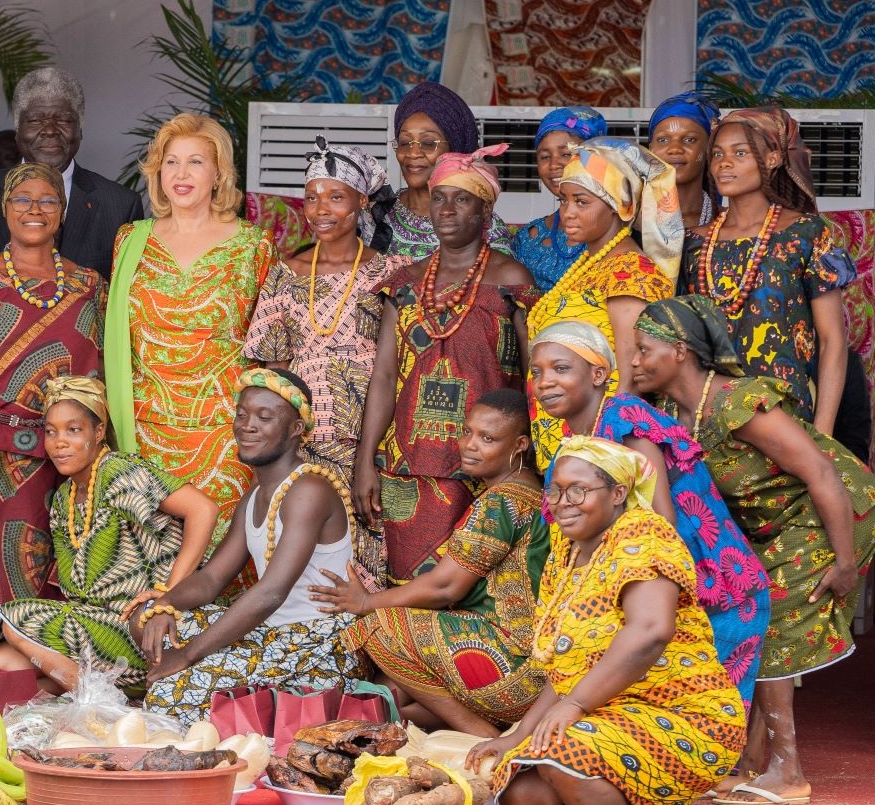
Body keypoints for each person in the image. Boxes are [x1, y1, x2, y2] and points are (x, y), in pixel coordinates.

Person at [468, 437, 745, 805]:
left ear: (617, 493)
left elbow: (649, 632)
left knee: (561, 747)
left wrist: (573, 706)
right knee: (521, 796)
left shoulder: (644, 535)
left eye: (578, 490)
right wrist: (515, 736)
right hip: (613, 716)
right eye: (555, 491)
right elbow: (569, 664)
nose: (562, 503)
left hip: (685, 715)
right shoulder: (569, 552)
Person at [629, 296, 875, 805]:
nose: (632, 360)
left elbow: (820, 472)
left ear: (680, 351)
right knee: (752, 617)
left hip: (833, 511)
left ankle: (788, 773)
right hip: (775, 522)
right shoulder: (672, 412)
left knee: (773, 625)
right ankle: (749, 762)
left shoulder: (735, 402)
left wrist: (846, 564)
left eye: (642, 349)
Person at [530, 319, 768, 699]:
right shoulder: (578, 441)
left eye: (561, 369)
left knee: (705, 715)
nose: (545, 382)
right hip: (667, 589)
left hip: (716, 589)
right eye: (537, 372)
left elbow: (661, 521)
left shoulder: (623, 417)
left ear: (598, 374)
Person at [0, 162, 104, 645]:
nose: (35, 209)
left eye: (48, 200)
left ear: (63, 212)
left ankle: (57, 694)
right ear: (4, 210)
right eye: (22, 200)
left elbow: (109, 375)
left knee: (76, 575)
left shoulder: (90, 286)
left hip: (72, 461)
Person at [137, 370, 367, 725]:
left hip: (315, 643)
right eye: (242, 414)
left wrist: (186, 656)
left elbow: (271, 593)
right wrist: (167, 602)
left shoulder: (309, 490)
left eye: (264, 417)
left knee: (169, 697)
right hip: (269, 633)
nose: (247, 425)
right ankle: (250, 702)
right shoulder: (254, 498)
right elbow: (212, 579)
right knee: (146, 620)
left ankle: (272, 707)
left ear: (295, 430)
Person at [315, 390, 547, 736]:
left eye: (488, 438)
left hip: (513, 664)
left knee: (380, 627)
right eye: (467, 431)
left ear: (520, 445)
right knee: (405, 703)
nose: (470, 444)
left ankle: (486, 737)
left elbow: (445, 586)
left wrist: (366, 602)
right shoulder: (532, 491)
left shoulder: (500, 503)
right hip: (534, 667)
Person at [355, 145, 536, 580]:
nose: (448, 209)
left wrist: (533, 460)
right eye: (440, 197)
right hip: (409, 465)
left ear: (485, 209)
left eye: (463, 198)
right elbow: (383, 376)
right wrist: (365, 460)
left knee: (477, 591)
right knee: (409, 585)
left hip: (489, 467)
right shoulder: (405, 283)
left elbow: (533, 377)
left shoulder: (512, 279)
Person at [0, 377, 216, 689]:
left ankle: (97, 702)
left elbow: (203, 509)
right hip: (98, 630)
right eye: (51, 432)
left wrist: (170, 593)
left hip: (145, 628)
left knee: (16, 620)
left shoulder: (117, 471)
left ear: (99, 431)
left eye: (73, 430)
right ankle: (109, 700)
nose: (59, 442)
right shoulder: (64, 499)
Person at [107, 112, 276, 532]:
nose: (181, 174)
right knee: (148, 562)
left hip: (225, 434)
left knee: (223, 562)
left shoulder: (254, 245)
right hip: (143, 432)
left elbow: (271, 349)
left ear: (219, 172)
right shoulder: (130, 240)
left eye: (196, 162)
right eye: (171, 162)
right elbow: (116, 341)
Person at [244, 137, 400, 580]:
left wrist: (368, 458)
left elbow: (391, 374)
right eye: (312, 198)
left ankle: (355, 647)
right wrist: (280, 448)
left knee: (362, 557)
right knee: (293, 554)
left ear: (362, 202)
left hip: (366, 443)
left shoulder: (391, 274)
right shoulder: (286, 273)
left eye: (336, 197)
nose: (321, 209)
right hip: (299, 443)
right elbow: (272, 371)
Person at [680, 105, 853, 429]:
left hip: (785, 422)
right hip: (706, 423)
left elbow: (832, 341)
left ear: (773, 158)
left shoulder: (806, 234)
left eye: (739, 153)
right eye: (717, 154)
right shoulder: (693, 243)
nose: (724, 163)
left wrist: (823, 433)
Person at [525, 137, 681, 467]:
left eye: (582, 202)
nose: (567, 213)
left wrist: (604, 448)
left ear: (620, 207)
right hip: (568, 434)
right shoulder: (589, 265)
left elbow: (631, 374)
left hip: (600, 444)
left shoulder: (629, 270)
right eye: (564, 201)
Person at [0, 67, 142, 279]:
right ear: (17, 131)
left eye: (64, 120)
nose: (49, 130)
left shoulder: (121, 206)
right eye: (35, 121)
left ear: (81, 130)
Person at [385, 82, 512, 257]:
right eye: (405, 143)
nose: (412, 153)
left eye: (428, 143)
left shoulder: (485, 227)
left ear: (455, 148)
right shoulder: (378, 216)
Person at [509, 107, 608, 291]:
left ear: (594, 157)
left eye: (565, 154)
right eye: (545, 156)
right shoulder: (529, 238)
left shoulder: (616, 231)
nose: (554, 165)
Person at [646, 91, 720, 231]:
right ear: (651, 150)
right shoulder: (630, 220)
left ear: (709, 148)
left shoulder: (727, 221)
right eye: (663, 140)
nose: (674, 149)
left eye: (689, 140)